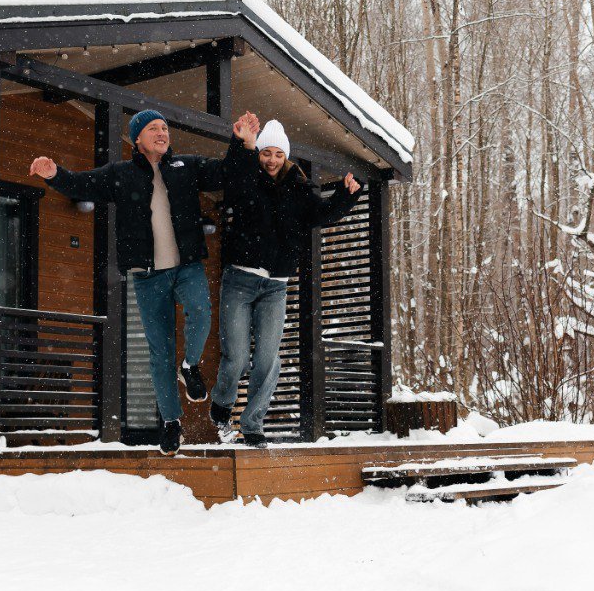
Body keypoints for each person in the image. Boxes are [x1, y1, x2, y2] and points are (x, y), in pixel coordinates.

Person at [29, 109, 221, 456]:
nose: (162, 133)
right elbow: (82, 184)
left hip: (187, 265)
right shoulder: (121, 174)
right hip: (147, 276)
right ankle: (171, 422)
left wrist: (244, 144)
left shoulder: (186, 167)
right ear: (138, 138)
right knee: (159, 352)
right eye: (153, 128)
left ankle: (190, 365)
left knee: (200, 310)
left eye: (165, 127)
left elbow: (227, 172)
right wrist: (54, 174)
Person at [209, 113, 363, 446]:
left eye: (278, 154)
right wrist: (242, 144)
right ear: (259, 153)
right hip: (240, 281)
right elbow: (233, 172)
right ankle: (221, 406)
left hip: (276, 287)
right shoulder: (246, 177)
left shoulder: (299, 187)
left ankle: (252, 425)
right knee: (237, 357)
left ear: (286, 156)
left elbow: (321, 214)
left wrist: (346, 196)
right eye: (266, 153)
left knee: (268, 359)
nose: (272, 160)